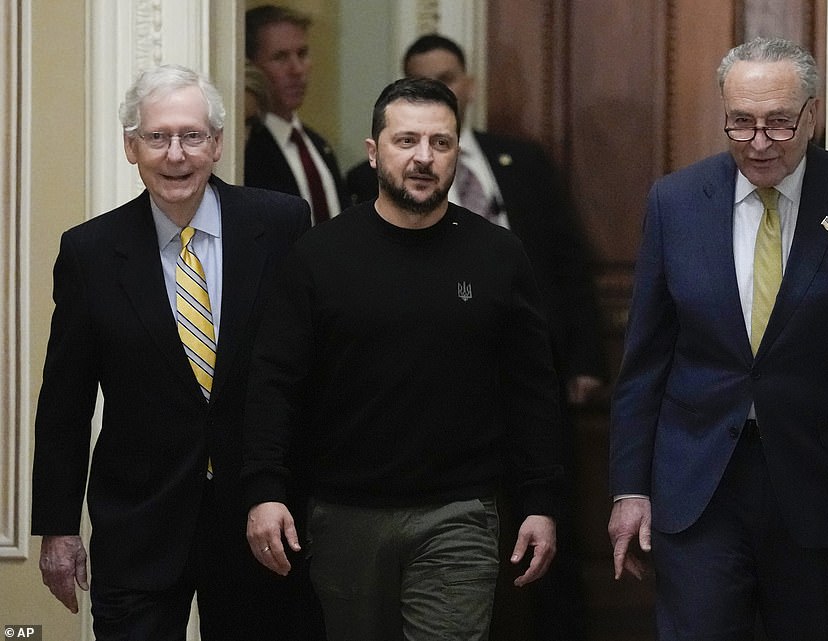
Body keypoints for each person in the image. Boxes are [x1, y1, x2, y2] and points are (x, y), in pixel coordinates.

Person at [607, 36, 828, 640]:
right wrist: (629, 489)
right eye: (741, 123)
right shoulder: (676, 203)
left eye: (779, 124)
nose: (758, 142)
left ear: (811, 116)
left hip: (819, 485)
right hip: (700, 484)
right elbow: (646, 360)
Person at [243, 76, 564, 641]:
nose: (423, 158)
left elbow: (531, 390)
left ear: (456, 155)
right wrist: (265, 491)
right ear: (374, 153)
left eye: (440, 144)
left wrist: (540, 499)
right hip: (344, 514)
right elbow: (274, 383)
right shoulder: (319, 256)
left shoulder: (498, 256)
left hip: (460, 513)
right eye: (407, 140)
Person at [31, 64, 322, 641]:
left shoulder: (281, 223)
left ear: (216, 144)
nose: (175, 155)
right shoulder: (90, 252)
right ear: (130, 148)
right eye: (157, 137)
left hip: (258, 518)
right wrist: (58, 529)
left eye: (191, 136)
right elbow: (64, 402)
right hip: (139, 522)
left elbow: (306, 372)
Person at [348, 37, 603, 639]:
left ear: (469, 84)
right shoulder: (365, 181)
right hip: (427, 410)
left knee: (546, 534)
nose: (423, 153)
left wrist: (586, 358)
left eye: (448, 78)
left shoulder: (524, 162)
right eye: (424, 81)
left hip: (532, 378)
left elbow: (569, 264)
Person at [244, 4, 347, 222]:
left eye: (302, 54)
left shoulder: (319, 147)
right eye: (280, 57)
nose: (297, 69)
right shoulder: (246, 147)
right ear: (250, 66)